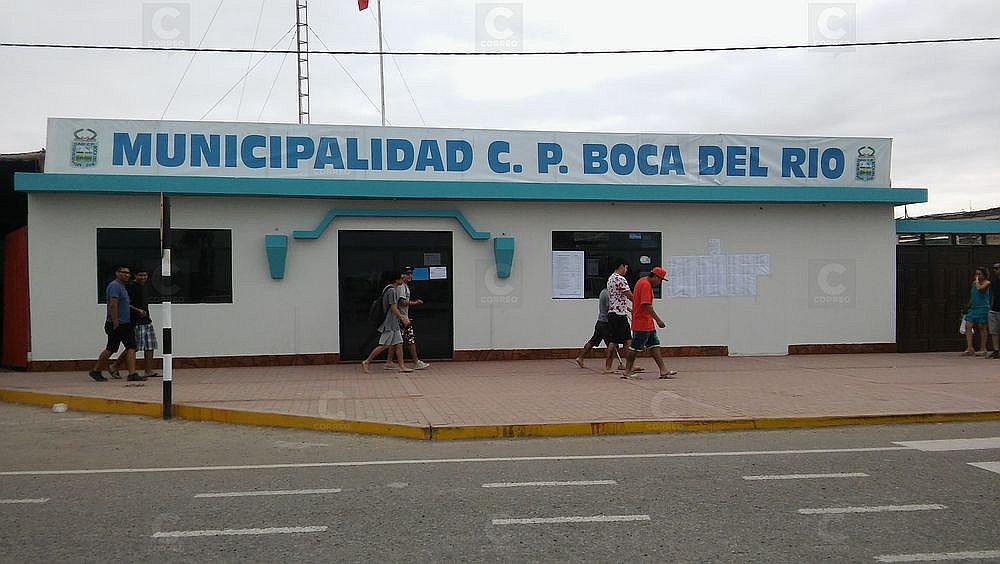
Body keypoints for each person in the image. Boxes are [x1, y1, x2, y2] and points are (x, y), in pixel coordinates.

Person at [88, 265, 143, 382]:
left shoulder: (123, 287)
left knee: (131, 346)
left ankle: (132, 373)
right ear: (117, 273)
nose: (126, 275)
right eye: (123, 272)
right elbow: (113, 305)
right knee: (111, 348)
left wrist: (137, 311)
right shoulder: (114, 286)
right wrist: (115, 321)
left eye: (128, 273)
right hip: (117, 324)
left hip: (126, 323)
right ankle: (96, 370)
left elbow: (124, 304)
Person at [622, 266, 677, 379]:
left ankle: (663, 370)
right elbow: (646, 305)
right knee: (635, 347)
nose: (660, 282)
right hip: (642, 322)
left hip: (647, 322)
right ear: (655, 277)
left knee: (654, 345)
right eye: (660, 279)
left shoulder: (642, 281)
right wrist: (658, 320)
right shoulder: (646, 285)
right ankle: (627, 371)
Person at [110, 269, 158, 378]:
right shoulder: (130, 287)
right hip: (135, 321)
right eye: (140, 275)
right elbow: (125, 304)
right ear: (135, 275)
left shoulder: (145, 287)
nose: (143, 277)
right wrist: (138, 310)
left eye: (145, 275)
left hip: (146, 320)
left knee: (150, 346)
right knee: (133, 347)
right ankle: (115, 365)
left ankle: (148, 371)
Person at [361, 272, 412, 373]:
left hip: (393, 323)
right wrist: (403, 318)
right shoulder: (392, 291)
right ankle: (366, 361)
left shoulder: (387, 288)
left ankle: (402, 366)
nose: (403, 280)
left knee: (399, 344)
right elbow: (393, 308)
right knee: (384, 345)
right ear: (396, 280)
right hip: (389, 323)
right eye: (401, 278)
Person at [385, 267, 430, 370]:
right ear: (402, 276)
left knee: (395, 340)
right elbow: (402, 302)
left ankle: (389, 362)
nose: (410, 276)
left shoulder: (404, 286)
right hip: (402, 318)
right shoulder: (401, 287)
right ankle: (416, 362)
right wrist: (416, 303)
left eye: (411, 274)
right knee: (410, 339)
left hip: (401, 317)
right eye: (407, 274)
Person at [574, 288, 623, 373]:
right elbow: (610, 307)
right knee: (612, 344)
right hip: (607, 323)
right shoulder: (608, 294)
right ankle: (609, 366)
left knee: (593, 341)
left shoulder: (603, 291)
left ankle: (580, 357)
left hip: (600, 321)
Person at [606, 258, 634, 354]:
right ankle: (629, 364)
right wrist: (640, 303)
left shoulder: (610, 279)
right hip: (619, 314)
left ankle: (608, 367)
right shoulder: (621, 279)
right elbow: (629, 295)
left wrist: (629, 309)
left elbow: (617, 298)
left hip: (612, 312)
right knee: (627, 339)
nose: (626, 270)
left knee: (613, 340)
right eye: (626, 268)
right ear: (621, 266)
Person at [962, 267, 991, 356]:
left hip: (983, 307)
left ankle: (983, 348)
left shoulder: (987, 283)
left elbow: (980, 289)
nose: (977, 276)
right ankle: (969, 348)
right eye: (976, 274)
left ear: (984, 275)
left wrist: (977, 281)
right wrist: (968, 306)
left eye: (980, 274)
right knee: (968, 325)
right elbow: (973, 294)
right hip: (973, 308)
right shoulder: (974, 283)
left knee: (982, 327)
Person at [989, 263, 1000, 359]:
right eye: (994, 268)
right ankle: (996, 350)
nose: (995, 270)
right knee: (994, 331)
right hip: (994, 309)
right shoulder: (994, 281)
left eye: (997, 268)